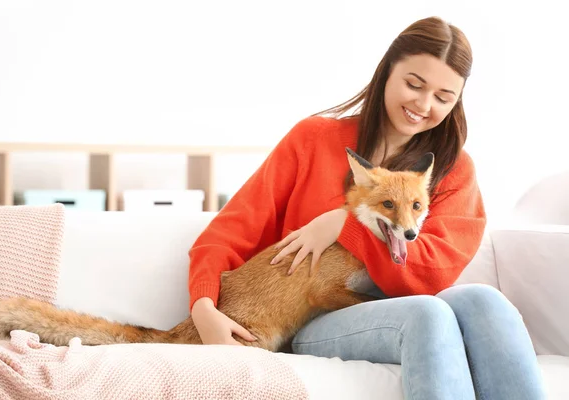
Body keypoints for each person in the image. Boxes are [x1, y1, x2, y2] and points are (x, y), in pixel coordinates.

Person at [187, 16, 546, 400]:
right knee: (427, 316)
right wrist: (204, 308)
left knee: (485, 301)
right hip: (315, 312)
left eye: (444, 98)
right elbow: (232, 229)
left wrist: (346, 224)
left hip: (399, 303)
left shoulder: (452, 169)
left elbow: (432, 274)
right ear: (387, 70)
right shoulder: (313, 139)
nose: (423, 105)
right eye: (414, 84)